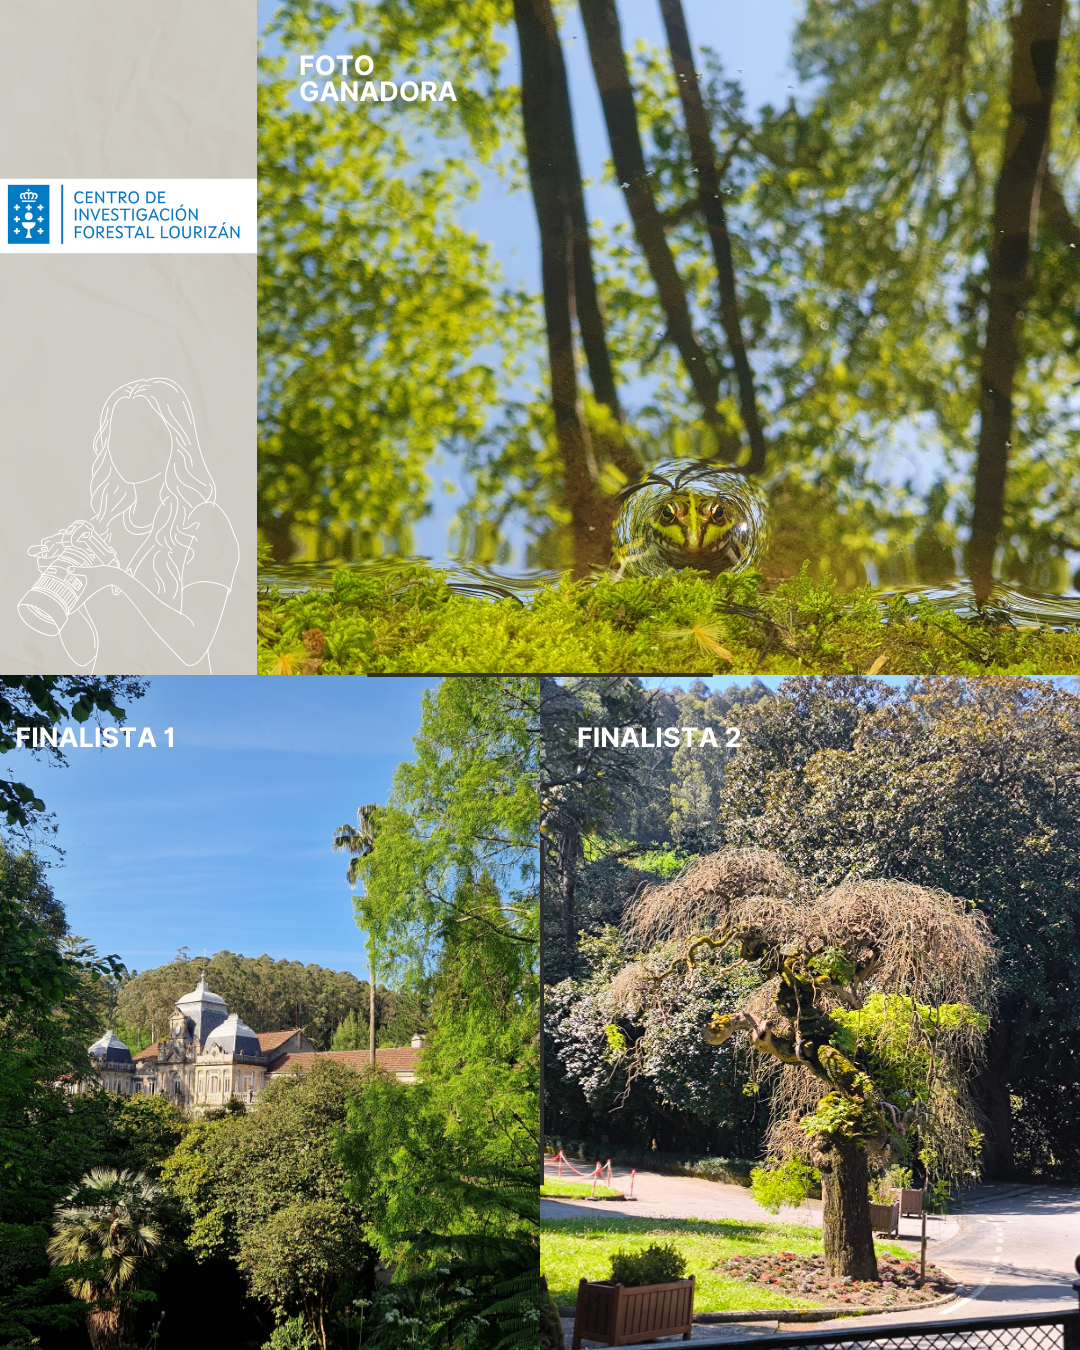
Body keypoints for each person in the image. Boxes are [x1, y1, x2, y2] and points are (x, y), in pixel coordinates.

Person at [19, 378, 238, 671]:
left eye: (142, 433)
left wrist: (113, 577)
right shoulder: (103, 528)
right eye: (118, 434)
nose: (128, 446)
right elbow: (85, 652)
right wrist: (59, 580)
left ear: (174, 439)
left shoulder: (203, 521)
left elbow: (192, 647)